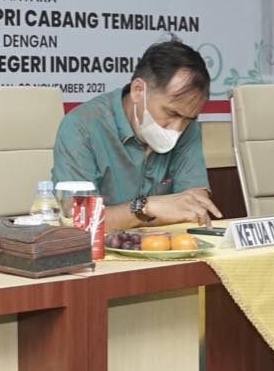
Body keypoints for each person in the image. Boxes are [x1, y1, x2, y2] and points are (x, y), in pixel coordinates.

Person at [51, 39, 223, 231]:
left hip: (163, 244)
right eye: (171, 113)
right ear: (138, 91)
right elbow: (80, 219)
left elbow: (194, 208)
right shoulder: (81, 127)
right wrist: (146, 208)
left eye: (188, 119)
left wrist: (124, 217)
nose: (177, 128)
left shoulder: (187, 126)